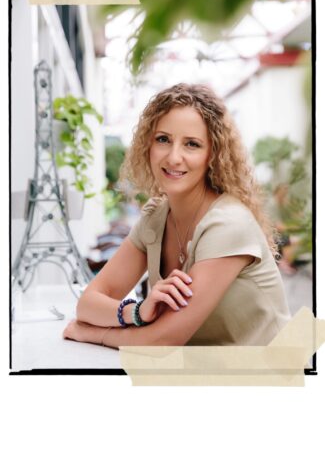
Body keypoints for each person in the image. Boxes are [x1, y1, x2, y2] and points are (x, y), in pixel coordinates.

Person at [63, 83, 291, 348]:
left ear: (212, 155)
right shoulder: (156, 217)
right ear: (147, 145)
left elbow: (163, 340)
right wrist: (136, 312)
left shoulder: (228, 224)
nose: (173, 157)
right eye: (163, 139)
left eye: (192, 144)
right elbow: (88, 303)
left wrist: (95, 334)